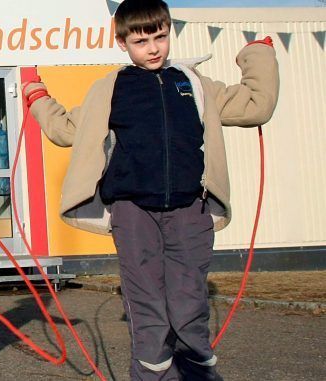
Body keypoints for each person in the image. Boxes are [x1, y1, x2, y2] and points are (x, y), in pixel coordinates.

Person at [23, 1, 279, 379]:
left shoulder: (194, 84)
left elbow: (255, 105)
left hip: (190, 208)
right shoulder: (111, 89)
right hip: (133, 211)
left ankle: (196, 373)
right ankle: (152, 375)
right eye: (142, 41)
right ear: (122, 42)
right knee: (148, 305)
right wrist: (37, 97)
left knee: (189, 301)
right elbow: (65, 131)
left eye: (160, 36)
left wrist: (258, 55)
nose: (154, 48)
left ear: (169, 31)